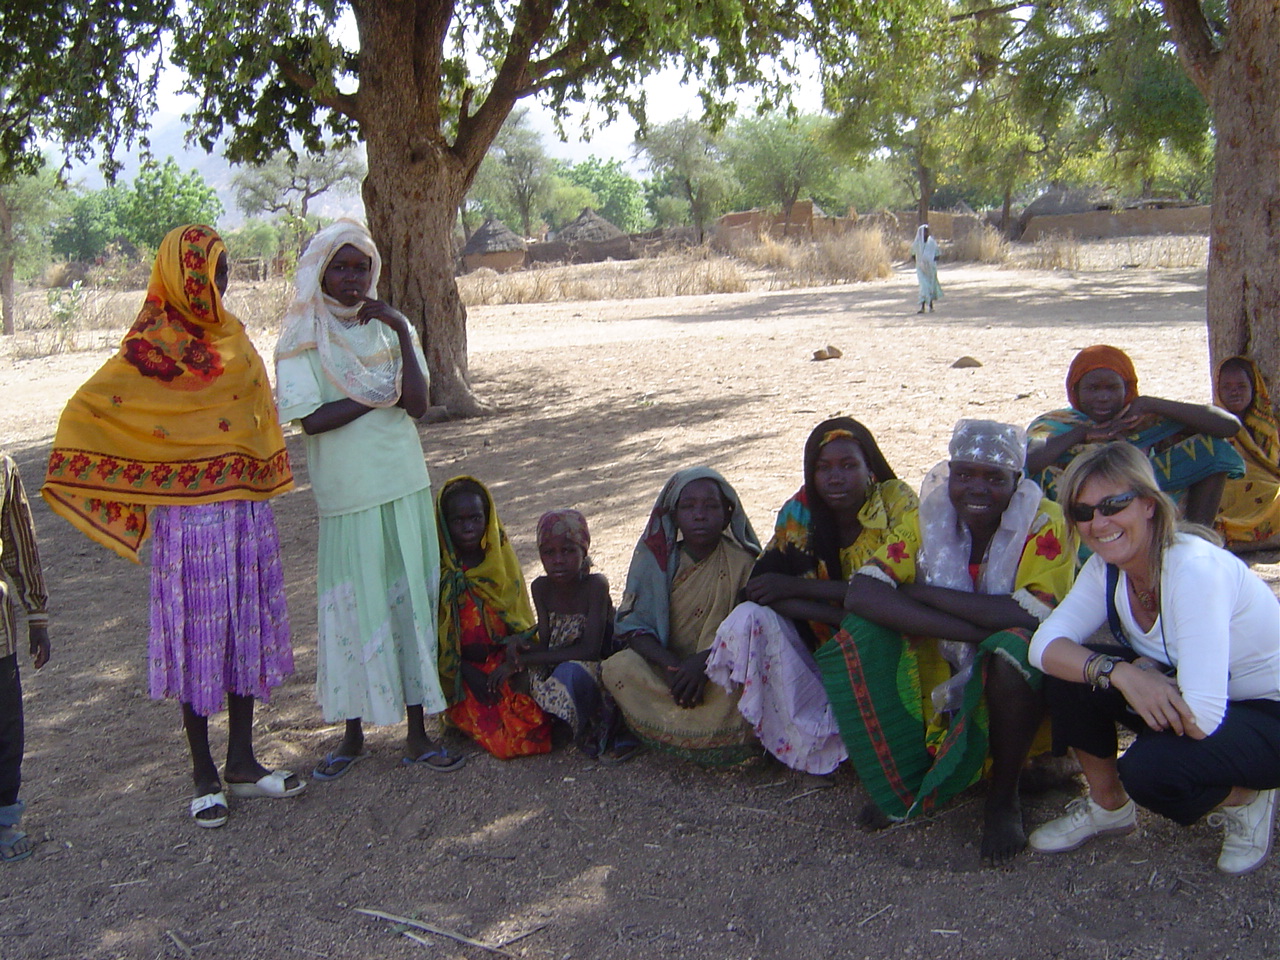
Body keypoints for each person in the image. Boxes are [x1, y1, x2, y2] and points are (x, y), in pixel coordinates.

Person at [43, 225, 299, 828]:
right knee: (194, 639)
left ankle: (243, 760)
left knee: (242, 634)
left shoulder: (235, 341)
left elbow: (259, 418)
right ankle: (202, 771)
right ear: (183, 278)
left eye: (225, 271)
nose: (220, 284)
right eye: (209, 273)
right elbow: (93, 408)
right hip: (187, 524)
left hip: (242, 514)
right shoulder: (149, 346)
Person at [818, 419, 1075, 864]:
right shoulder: (929, 517)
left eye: (995, 478)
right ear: (949, 473)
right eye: (964, 474)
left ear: (1017, 481)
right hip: (948, 654)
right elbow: (862, 591)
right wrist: (973, 631)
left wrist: (924, 594)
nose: (977, 488)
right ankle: (905, 773)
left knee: (1012, 650)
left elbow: (1029, 613)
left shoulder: (1044, 521)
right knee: (865, 632)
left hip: (1021, 676)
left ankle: (1003, 795)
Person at [1027, 442, 1280, 876]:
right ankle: (1108, 807)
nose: (1098, 522)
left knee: (1149, 771)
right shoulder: (1107, 568)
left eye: (1113, 504)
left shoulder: (1193, 570)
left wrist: (1142, 676)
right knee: (1073, 673)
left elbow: (1201, 717)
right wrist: (1121, 672)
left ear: (1148, 504)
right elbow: (1044, 647)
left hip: (1265, 713)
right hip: (1197, 693)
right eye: (1083, 512)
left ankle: (1248, 797)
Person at [275, 220, 461, 780]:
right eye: (341, 266)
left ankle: (417, 733)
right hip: (348, 494)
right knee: (355, 607)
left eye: (362, 267)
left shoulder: (386, 328)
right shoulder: (300, 336)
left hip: (402, 481)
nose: (353, 278)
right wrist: (377, 395)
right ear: (320, 271)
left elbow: (419, 404)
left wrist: (403, 330)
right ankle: (352, 736)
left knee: (407, 603)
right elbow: (311, 420)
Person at [706, 418, 917, 775]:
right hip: (823, 645)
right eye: (823, 468)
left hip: (896, 642)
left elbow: (892, 594)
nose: (836, 477)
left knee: (874, 633)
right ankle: (802, 743)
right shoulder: (799, 514)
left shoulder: (896, 502)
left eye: (849, 465)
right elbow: (759, 591)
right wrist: (837, 612)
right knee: (748, 618)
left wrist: (798, 588)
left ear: (870, 468)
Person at [600, 468, 762, 766]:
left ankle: (717, 736)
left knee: (752, 683)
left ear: (728, 514)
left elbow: (756, 628)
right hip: (668, 669)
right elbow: (634, 626)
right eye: (688, 507)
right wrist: (674, 666)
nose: (699, 515)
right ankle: (661, 726)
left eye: (711, 506)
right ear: (673, 515)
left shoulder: (743, 563)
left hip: (720, 671)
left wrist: (702, 663)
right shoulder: (656, 563)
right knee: (617, 667)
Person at [1026, 344, 1243, 526]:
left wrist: (1151, 403)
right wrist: (1082, 434)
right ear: (1075, 390)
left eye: (1112, 388)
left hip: (1145, 497)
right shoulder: (1059, 424)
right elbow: (1026, 460)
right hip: (1083, 513)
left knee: (1213, 449)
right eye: (1092, 389)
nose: (1103, 397)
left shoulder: (1142, 419)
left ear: (1127, 389)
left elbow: (1229, 426)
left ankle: (1197, 541)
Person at [438, 477, 551, 759]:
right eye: (457, 520)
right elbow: (434, 638)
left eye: (476, 518)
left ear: (488, 519)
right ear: (443, 524)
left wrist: (512, 661)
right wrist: (465, 670)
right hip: (462, 671)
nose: (467, 527)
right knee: (506, 741)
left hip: (503, 663)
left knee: (533, 725)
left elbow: (519, 621)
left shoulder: (501, 563)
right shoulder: (438, 573)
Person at [497, 509, 614, 755]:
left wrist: (528, 659)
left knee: (570, 673)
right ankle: (544, 722)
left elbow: (590, 650)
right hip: (557, 659)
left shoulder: (595, 586)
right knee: (510, 674)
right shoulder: (541, 587)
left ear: (584, 551)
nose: (558, 560)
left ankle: (569, 727)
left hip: (593, 666)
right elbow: (549, 642)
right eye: (549, 552)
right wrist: (520, 652)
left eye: (569, 550)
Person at [0, 455, 49, 863]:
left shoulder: (2, 467)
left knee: (5, 728)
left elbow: (19, 543)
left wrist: (37, 615)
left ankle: (4, 818)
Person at [1213, 356, 1280, 551]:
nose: (1234, 391)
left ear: (1254, 388)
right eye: (1227, 387)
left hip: (1267, 487)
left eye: (1242, 386)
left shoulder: (1270, 426)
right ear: (1218, 389)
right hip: (1234, 491)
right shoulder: (1211, 423)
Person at [910, 224, 942, 314]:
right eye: (925, 231)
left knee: (930, 287)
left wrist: (930, 260)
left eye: (927, 231)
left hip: (930, 269)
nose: (927, 233)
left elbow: (938, 255)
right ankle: (922, 307)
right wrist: (920, 262)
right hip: (921, 269)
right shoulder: (916, 244)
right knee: (924, 287)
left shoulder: (932, 243)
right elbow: (913, 255)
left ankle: (930, 307)